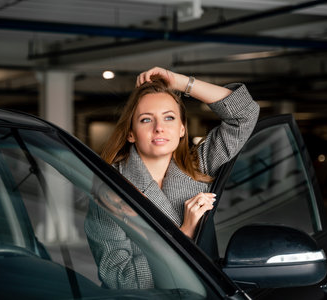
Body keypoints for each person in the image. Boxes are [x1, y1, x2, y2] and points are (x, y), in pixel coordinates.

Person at [85, 66, 260, 289]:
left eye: (169, 118)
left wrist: (180, 83)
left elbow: (244, 113)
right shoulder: (112, 189)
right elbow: (121, 279)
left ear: (182, 129)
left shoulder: (199, 166)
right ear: (131, 133)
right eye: (146, 120)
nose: (159, 128)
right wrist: (183, 235)